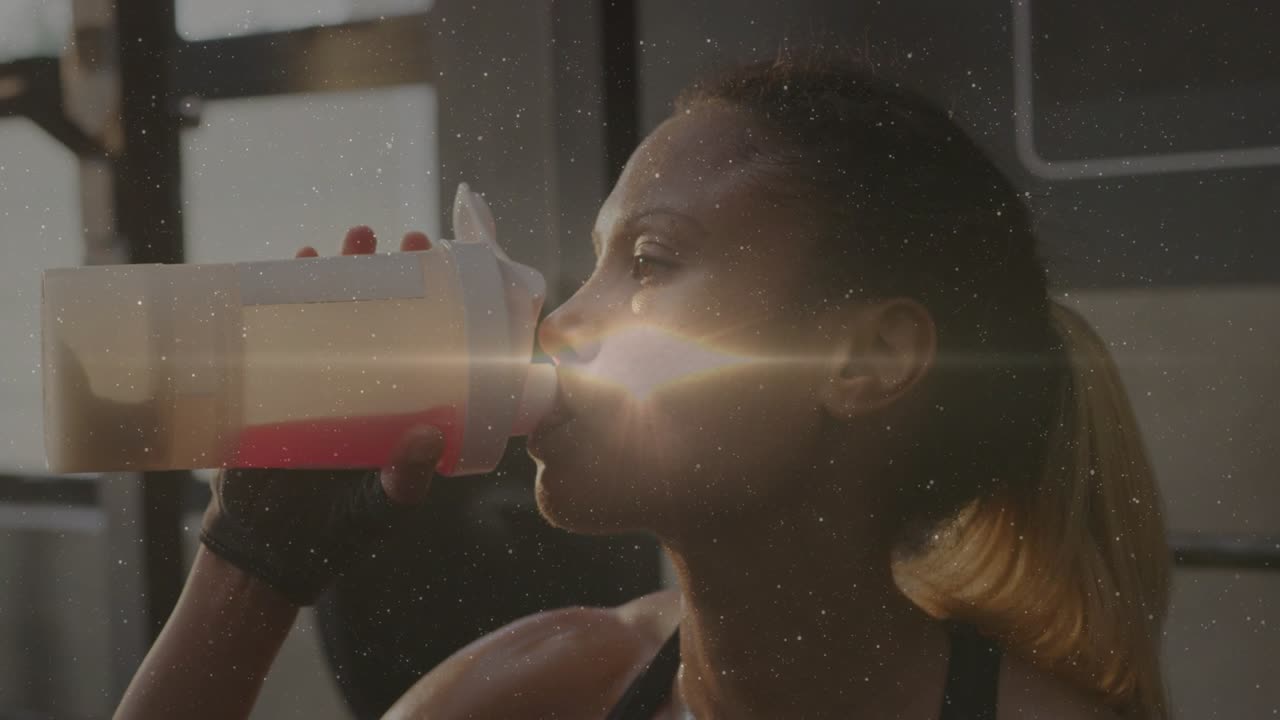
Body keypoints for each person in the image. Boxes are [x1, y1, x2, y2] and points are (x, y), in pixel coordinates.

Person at [114, 51, 1170, 719]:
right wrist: (252, 565)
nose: (558, 322)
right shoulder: (554, 686)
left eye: (650, 263)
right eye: (594, 262)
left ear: (865, 363)